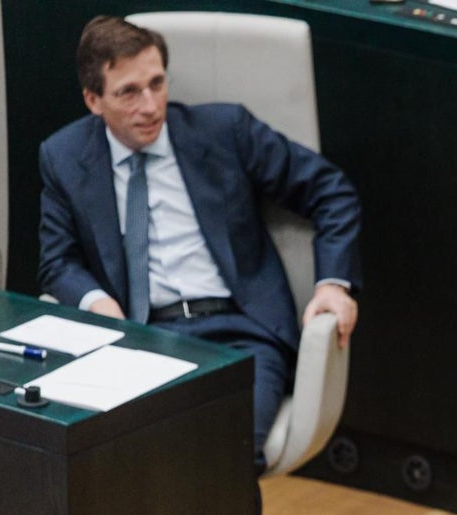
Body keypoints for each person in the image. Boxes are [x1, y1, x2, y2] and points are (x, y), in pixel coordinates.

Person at [38, 15, 361, 474]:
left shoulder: (223, 130)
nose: (150, 106)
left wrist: (333, 283)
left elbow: (331, 192)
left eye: (157, 84)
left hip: (240, 335)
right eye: (129, 92)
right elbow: (57, 261)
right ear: (94, 100)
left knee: (224, 458)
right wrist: (98, 304)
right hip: (140, 338)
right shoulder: (65, 156)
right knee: (120, 464)